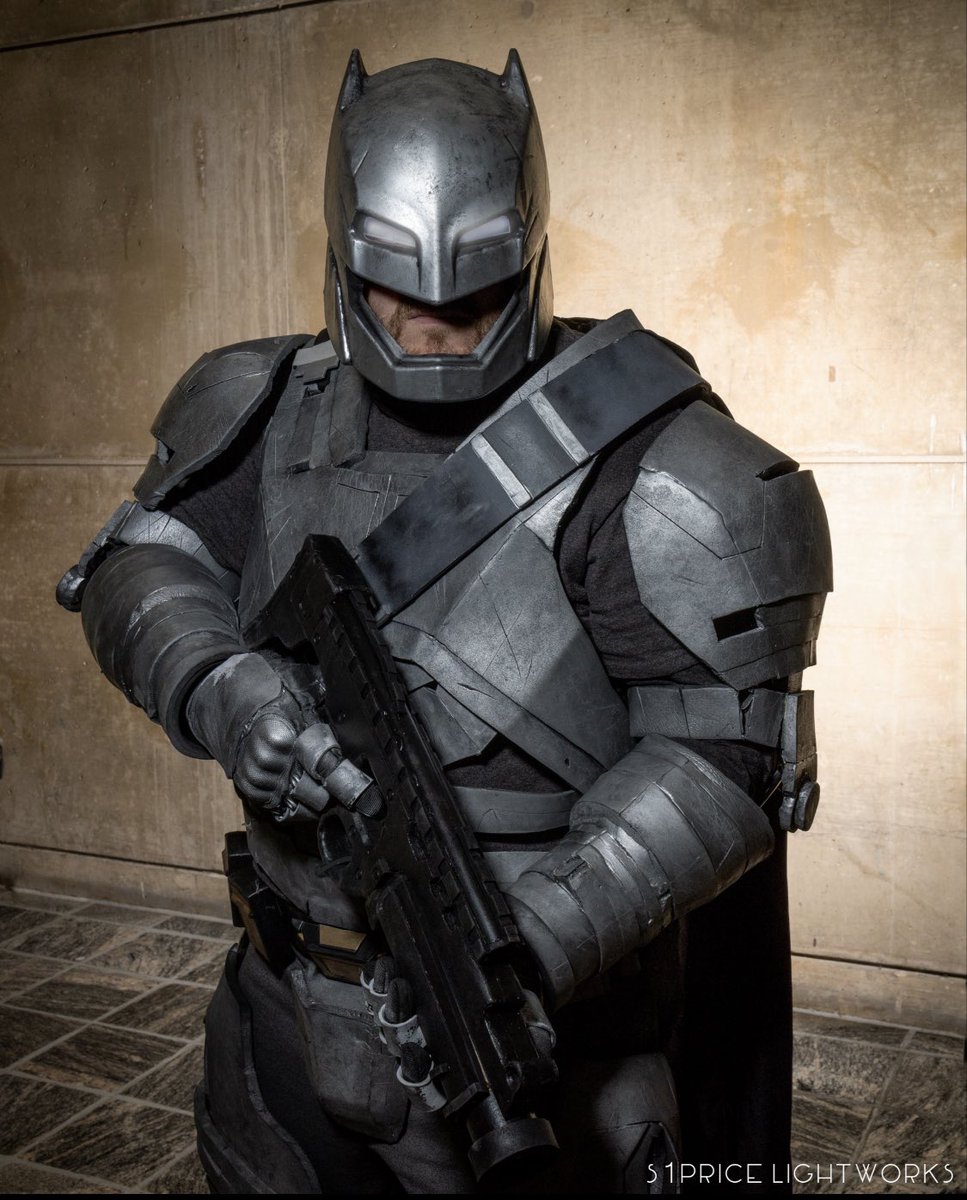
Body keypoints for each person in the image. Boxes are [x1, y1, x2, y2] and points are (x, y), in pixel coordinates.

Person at [57, 49, 832, 1194]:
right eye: (396, 291)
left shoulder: (654, 458)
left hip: (550, 1043)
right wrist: (221, 686)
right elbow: (140, 562)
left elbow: (724, 759)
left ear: (525, 256)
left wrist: (523, 953)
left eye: (470, 294)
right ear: (344, 257)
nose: (431, 325)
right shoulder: (263, 404)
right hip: (287, 1014)